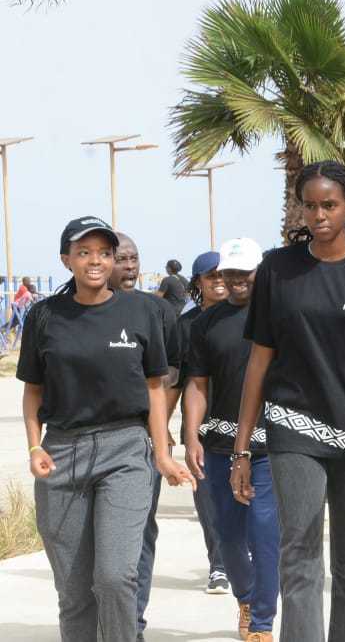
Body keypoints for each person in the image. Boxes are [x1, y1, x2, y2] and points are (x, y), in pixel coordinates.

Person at [230, 160, 345, 642]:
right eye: (309, 206)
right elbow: (259, 362)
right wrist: (242, 448)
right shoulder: (277, 268)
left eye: (329, 205)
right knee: (300, 556)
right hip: (293, 429)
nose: (319, 215)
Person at [18, 216, 194, 641]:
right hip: (61, 455)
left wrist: (162, 454)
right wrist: (34, 447)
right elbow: (32, 393)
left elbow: (155, 388)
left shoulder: (142, 311)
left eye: (103, 252)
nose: (95, 260)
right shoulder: (44, 316)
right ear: (67, 260)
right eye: (84, 252)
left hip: (125, 450)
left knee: (115, 577)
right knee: (74, 591)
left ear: (113, 259)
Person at [184, 238, 279, 642]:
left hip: (270, 444)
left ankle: (261, 622)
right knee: (226, 533)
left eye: (246, 272)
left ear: (261, 273)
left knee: (264, 530)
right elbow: (197, 384)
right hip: (220, 443)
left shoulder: (280, 315)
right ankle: (246, 599)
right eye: (231, 272)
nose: (238, 279)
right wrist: (191, 435)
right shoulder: (205, 323)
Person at [109, 232, 183, 642]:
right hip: (91, 440)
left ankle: (132, 624)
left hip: (143, 438)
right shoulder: (78, 311)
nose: (130, 266)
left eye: (134, 258)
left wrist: (160, 427)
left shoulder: (157, 310)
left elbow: (173, 370)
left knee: (138, 532)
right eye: (121, 258)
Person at [170, 251, 229, 596]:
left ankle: (241, 557)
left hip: (245, 429)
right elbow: (176, 382)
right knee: (209, 504)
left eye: (223, 273)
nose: (219, 280)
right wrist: (162, 427)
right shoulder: (185, 326)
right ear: (198, 283)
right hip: (201, 431)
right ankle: (218, 565)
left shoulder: (250, 319)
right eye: (211, 276)